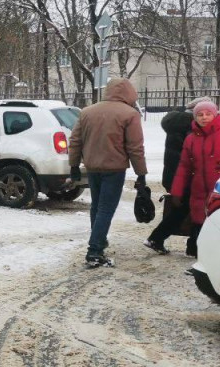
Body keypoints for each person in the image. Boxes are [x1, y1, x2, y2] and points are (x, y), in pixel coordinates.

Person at [68, 77, 147, 267]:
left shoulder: (87, 112)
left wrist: (73, 166)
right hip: (114, 168)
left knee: (97, 206)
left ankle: (99, 241)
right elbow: (135, 147)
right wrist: (141, 173)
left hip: (92, 167)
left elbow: (75, 141)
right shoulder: (129, 114)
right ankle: (94, 251)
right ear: (129, 92)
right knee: (106, 208)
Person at [144, 96, 211, 255]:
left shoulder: (177, 123)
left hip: (174, 175)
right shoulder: (191, 126)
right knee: (196, 209)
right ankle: (192, 247)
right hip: (188, 176)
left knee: (184, 209)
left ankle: (159, 239)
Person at [169, 99, 220, 255]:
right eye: (200, 114)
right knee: (199, 222)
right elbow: (184, 167)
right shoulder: (191, 139)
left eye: (208, 114)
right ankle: (199, 254)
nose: (204, 117)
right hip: (199, 190)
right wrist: (177, 191)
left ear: (215, 115)